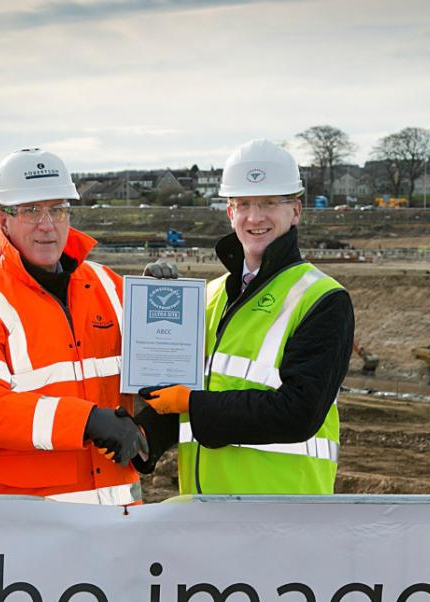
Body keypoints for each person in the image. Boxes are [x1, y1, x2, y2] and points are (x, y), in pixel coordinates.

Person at [134, 139, 355, 494]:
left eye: (269, 203)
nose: (255, 217)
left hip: (282, 516)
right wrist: (140, 436)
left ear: (295, 210)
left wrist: (192, 403)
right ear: (229, 212)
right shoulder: (208, 297)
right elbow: (177, 395)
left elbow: (299, 412)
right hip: (206, 513)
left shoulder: (323, 299)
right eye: (244, 204)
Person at [0, 147, 147, 504]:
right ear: (2, 219)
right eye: (31, 211)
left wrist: (170, 305)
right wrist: (86, 422)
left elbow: (155, 380)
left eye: (57, 209)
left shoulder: (110, 287)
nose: (47, 225)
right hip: (34, 524)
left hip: (118, 514)